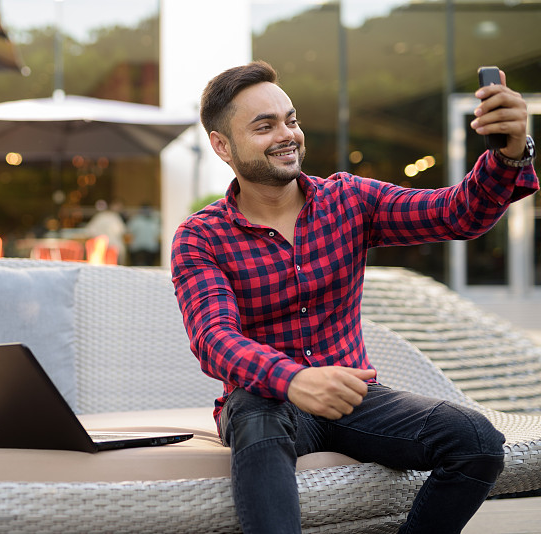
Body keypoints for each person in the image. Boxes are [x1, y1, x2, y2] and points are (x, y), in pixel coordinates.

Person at [170, 61, 538, 534]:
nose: (287, 134)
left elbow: (458, 213)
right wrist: (294, 380)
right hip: (266, 402)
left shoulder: (349, 200)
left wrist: (509, 154)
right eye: (264, 126)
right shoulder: (202, 237)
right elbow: (214, 339)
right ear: (222, 145)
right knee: (254, 417)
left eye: (291, 120)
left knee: (478, 442)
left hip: (353, 396)